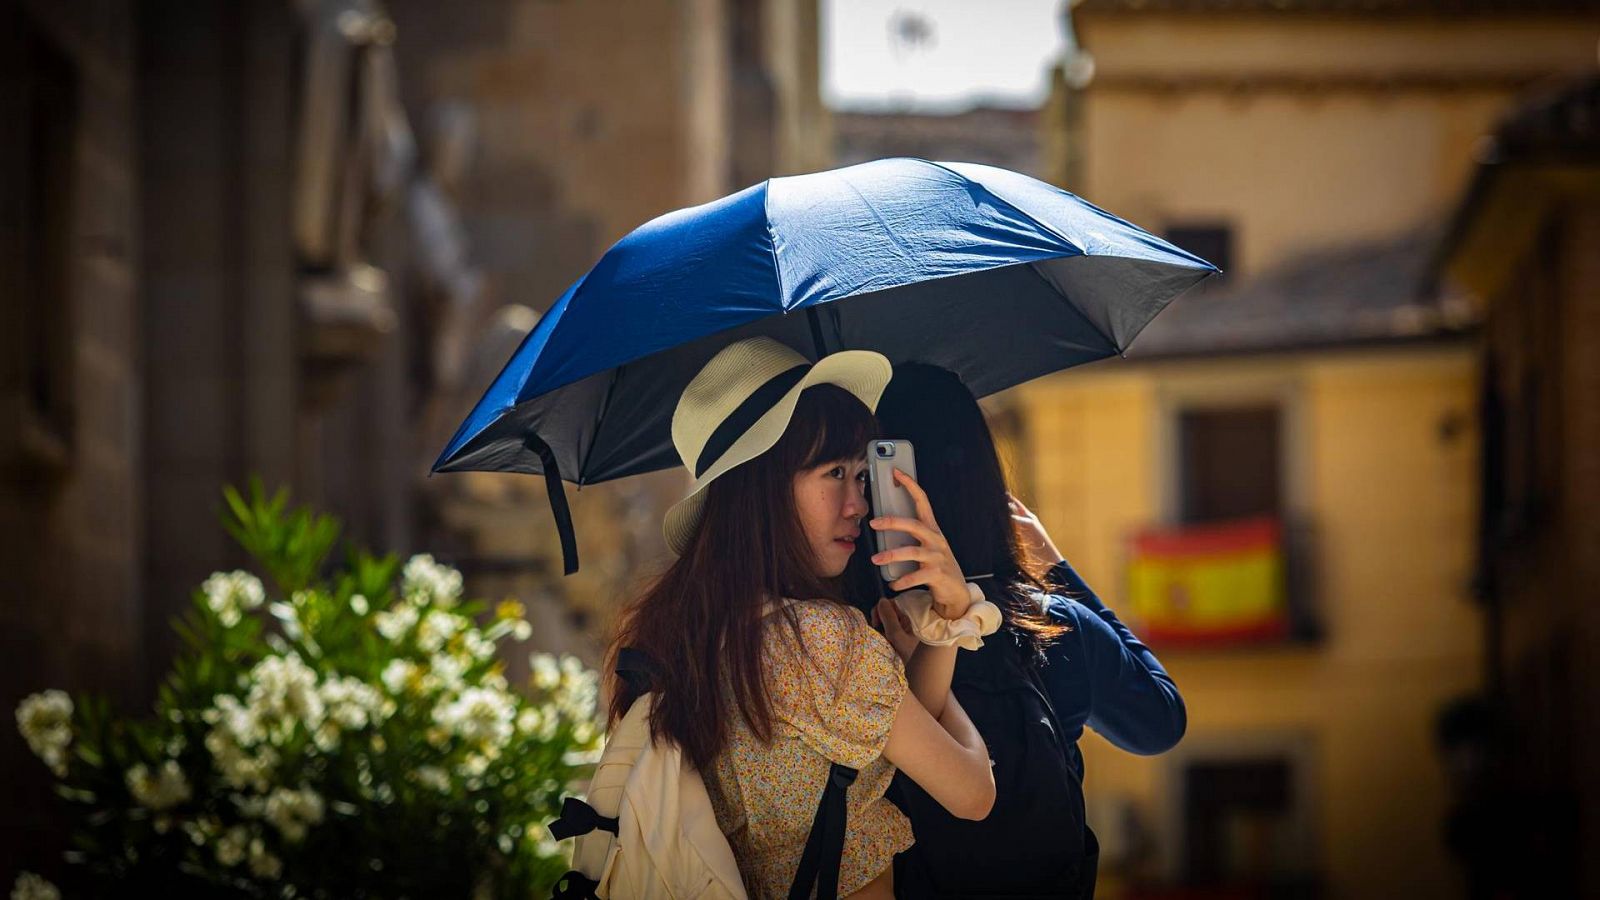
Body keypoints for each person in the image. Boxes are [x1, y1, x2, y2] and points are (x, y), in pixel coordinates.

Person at [606, 339, 999, 900]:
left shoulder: (693, 626)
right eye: (834, 472)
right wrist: (958, 614)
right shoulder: (814, 639)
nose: (858, 505)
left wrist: (947, 624)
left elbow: (901, 730)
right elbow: (973, 793)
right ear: (761, 487)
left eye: (863, 475)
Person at [858, 362, 1187, 899]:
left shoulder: (849, 634)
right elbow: (1160, 721)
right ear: (983, 477)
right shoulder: (1053, 625)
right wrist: (1057, 571)